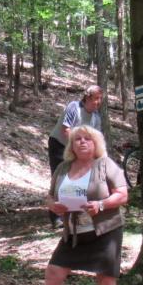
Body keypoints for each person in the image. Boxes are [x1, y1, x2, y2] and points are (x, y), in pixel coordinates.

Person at [19, 125, 129, 285]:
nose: (82, 142)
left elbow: (122, 195)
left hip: (104, 231)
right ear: (71, 145)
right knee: (54, 272)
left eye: (88, 139)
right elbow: (50, 196)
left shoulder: (105, 164)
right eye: (78, 139)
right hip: (74, 233)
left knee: (106, 279)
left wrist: (100, 204)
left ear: (96, 143)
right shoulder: (63, 168)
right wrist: (54, 206)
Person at [47, 85, 104, 226]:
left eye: (100, 99)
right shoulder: (74, 107)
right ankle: (56, 216)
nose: (98, 102)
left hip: (78, 149)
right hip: (60, 144)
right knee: (60, 177)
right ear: (87, 98)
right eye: (96, 98)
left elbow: (96, 138)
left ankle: (74, 210)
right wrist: (75, 150)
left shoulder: (96, 117)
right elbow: (66, 129)